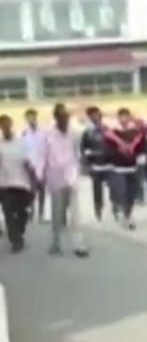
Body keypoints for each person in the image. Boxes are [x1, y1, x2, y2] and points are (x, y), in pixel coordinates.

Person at [35, 104, 89, 257]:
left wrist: (80, 167)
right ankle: (56, 242)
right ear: (56, 118)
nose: (65, 120)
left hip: (71, 176)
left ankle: (79, 245)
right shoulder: (48, 135)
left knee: (76, 213)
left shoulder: (74, 133)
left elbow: (78, 152)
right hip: (55, 177)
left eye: (66, 117)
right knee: (57, 213)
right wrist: (40, 176)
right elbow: (41, 156)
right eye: (62, 117)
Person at [105, 108, 144, 230]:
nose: (124, 119)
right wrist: (115, 155)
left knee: (131, 194)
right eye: (121, 117)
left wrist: (140, 156)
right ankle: (123, 215)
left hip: (132, 167)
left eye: (126, 116)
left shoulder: (136, 133)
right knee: (122, 192)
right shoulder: (112, 134)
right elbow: (107, 149)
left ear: (129, 117)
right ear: (118, 118)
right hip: (118, 168)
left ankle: (127, 215)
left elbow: (142, 147)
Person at [0, 114, 34, 252]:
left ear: (11, 125)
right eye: (3, 126)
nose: (5, 128)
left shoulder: (21, 143)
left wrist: (33, 181)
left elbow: (27, 163)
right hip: (5, 184)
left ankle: (19, 230)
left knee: (22, 212)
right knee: (8, 213)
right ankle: (16, 241)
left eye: (7, 125)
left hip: (22, 183)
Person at [80, 106, 112, 222]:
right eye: (93, 115)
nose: (96, 117)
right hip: (95, 165)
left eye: (97, 114)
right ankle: (98, 208)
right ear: (90, 117)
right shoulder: (87, 133)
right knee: (97, 189)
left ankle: (116, 207)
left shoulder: (107, 129)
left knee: (114, 186)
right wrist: (86, 164)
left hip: (108, 164)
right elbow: (83, 149)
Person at [22, 108, 46, 222]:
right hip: (30, 166)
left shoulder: (43, 132)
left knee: (42, 190)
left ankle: (41, 213)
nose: (31, 119)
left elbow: (46, 148)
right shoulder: (24, 133)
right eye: (28, 117)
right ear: (26, 119)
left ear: (36, 117)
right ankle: (31, 212)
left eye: (33, 117)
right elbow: (23, 150)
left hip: (42, 164)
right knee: (32, 191)